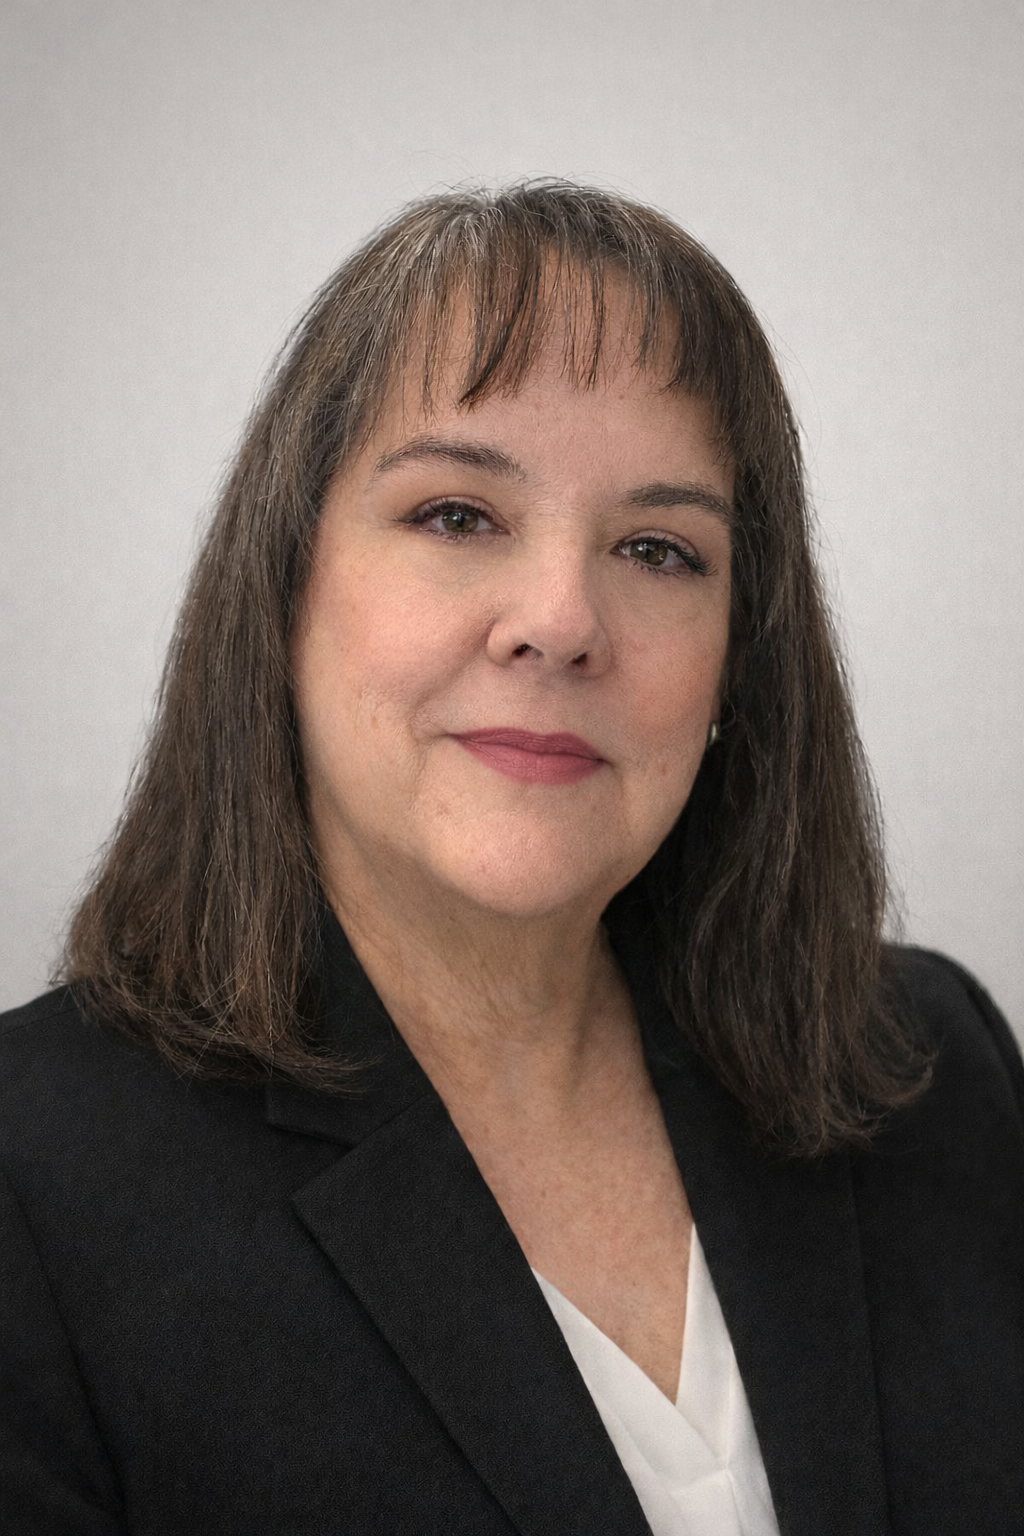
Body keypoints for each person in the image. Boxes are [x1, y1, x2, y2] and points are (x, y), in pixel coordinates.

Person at [1, 182, 1021, 1536]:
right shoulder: (32, 1178)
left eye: (659, 549)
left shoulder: (936, 1068)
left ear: (736, 661)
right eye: (457, 516)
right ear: (286, 587)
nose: (560, 621)